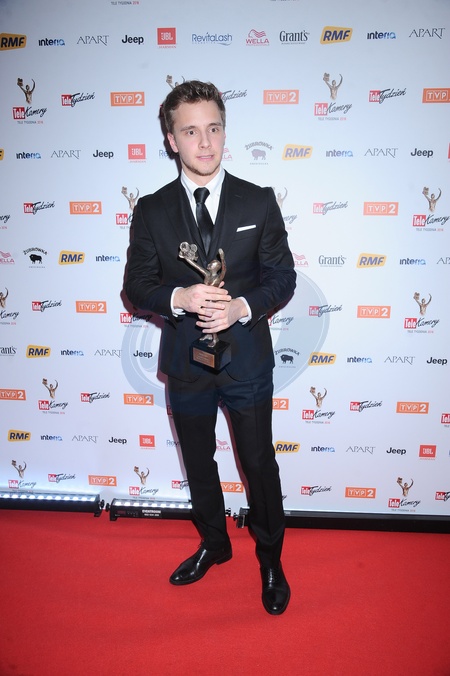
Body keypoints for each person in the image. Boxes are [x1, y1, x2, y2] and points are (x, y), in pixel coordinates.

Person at [124, 80, 296, 615]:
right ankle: (215, 545)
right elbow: (137, 286)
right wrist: (178, 296)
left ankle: (270, 559)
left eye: (214, 129)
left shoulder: (258, 200)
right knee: (198, 461)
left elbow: (283, 278)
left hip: (247, 361)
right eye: (191, 131)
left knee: (259, 463)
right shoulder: (152, 210)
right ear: (171, 139)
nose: (205, 143)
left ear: (225, 131)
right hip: (187, 364)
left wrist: (241, 306)